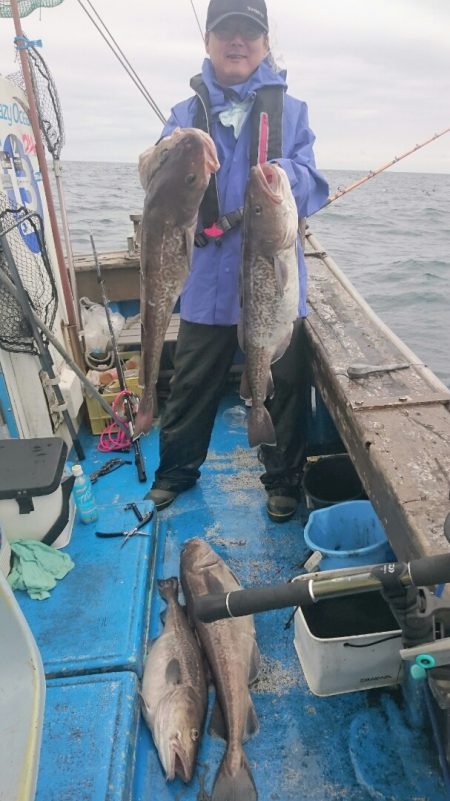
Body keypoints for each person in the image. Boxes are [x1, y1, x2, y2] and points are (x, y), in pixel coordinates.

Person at [145, 0, 329, 522]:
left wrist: (282, 177)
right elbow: (154, 179)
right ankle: (175, 473)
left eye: (250, 32)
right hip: (207, 280)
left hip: (273, 277)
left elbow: (314, 183)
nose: (238, 41)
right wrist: (173, 149)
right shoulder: (185, 114)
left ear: (266, 44)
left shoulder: (291, 112)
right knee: (190, 383)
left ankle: (283, 480)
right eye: (226, 31)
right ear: (207, 42)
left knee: (284, 384)